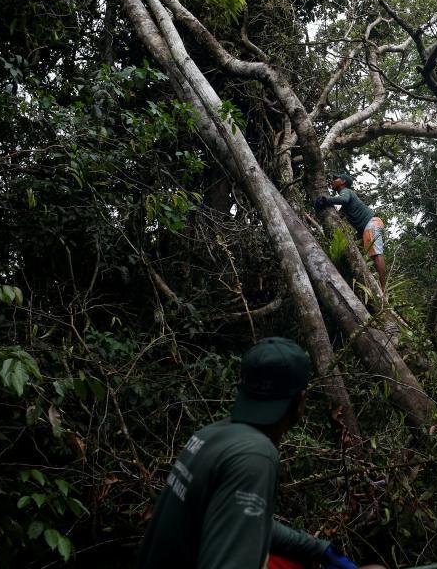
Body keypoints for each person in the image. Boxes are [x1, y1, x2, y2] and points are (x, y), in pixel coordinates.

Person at [137, 337, 362, 569]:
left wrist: (318, 549)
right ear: (300, 399)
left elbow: (237, 521)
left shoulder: (211, 434)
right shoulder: (255, 455)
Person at [314, 173, 387, 291]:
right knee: (358, 255)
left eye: (336, 178)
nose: (333, 180)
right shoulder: (347, 203)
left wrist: (325, 200)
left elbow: (343, 199)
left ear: (343, 182)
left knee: (376, 253)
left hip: (370, 224)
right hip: (365, 229)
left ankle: (383, 288)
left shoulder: (346, 191)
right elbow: (338, 217)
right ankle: (372, 283)